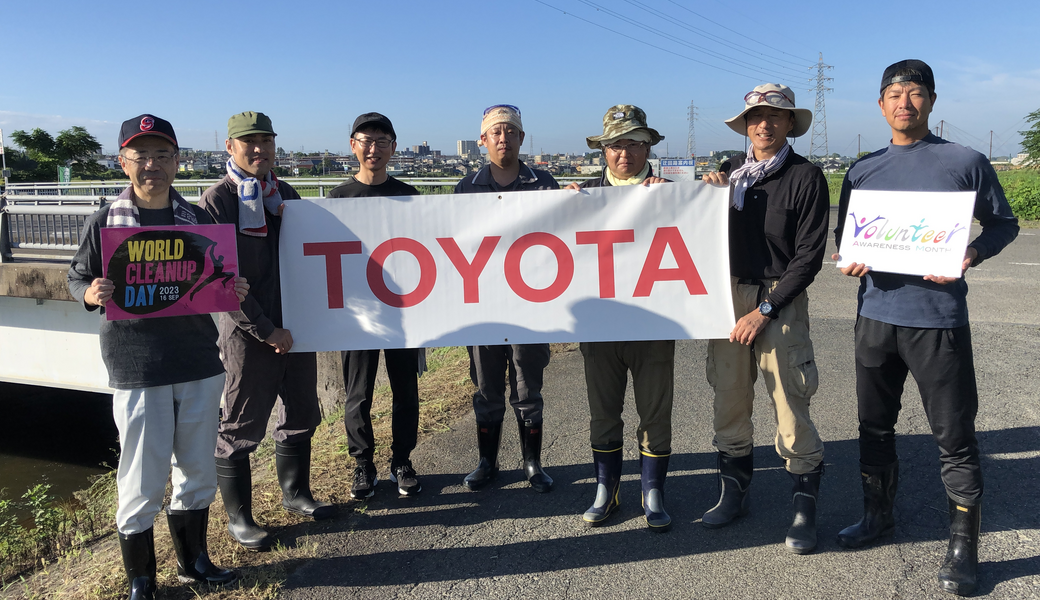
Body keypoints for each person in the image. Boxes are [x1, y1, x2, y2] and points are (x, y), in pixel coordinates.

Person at [833, 60, 1019, 596]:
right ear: (880, 104)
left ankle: (963, 547)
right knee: (873, 426)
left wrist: (972, 252)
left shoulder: (965, 161)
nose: (904, 103)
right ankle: (877, 516)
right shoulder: (862, 170)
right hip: (875, 318)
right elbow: (848, 237)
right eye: (894, 94)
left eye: (915, 94)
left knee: (954, 437)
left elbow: (1003, 223)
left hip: (937, 321)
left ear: (932, 102)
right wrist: (851, 259)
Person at [68, 114, 241, 598]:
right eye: (140, 156)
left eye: (162, 155)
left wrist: (233, 286)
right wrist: (91, 294)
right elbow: (76, 278)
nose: (151, 165)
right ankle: (142, 579)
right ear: (123, 162)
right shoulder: (105, 222)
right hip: (137, 365)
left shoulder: (198, 219)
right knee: (141, 476)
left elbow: (219, 277)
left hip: (198, 363)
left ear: (177, 162)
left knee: (198, 468)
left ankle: (195, 561)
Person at [700, 84, 829, 554]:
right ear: (746, 125)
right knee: (729, 399)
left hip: (779, 297)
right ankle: (733, 495)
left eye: (775, 116)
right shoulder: (730, 175)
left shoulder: (806, 176)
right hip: (729, 294)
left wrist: (766, 310)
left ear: (790, 123)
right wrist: (704, 198)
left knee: (790, 403)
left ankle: (803, 509)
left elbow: (809, 256)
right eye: (756, 117)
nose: (764, 124)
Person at [199, 111, 333, 552]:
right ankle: (240, 518)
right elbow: (220, 281)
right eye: (248, 142)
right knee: (241, 424)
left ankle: (296, 495)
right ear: (230, 147)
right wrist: (265, 329)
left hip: (296, 326)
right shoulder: (217, 201)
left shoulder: (285, 193)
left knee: (299, 414)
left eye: (266, 141)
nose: (259, 150)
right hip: (249, 333)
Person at [564, 105, 675, 532]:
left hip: (654, 322)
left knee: (655, 411)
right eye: (615, 144)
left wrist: (689, 196)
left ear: (648, 146)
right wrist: (563, 208)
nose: (623, 152)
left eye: (633, 143)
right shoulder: (581, 195)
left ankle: (652, 492)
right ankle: (606, 489)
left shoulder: (670, 193)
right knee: (603, 411)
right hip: (600, 324)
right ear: (602, 150)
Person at [454, 104, 559, 493]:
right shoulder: (466, 188)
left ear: (521, 138)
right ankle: (487, 461)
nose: (503, 138)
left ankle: (532, 462)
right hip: (482, 304)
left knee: (528, 384)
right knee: (486, 384)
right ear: (483, 140)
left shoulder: (543, 183)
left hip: (531, 305)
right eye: (495, 133)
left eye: (510, 132)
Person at [327, 112, 424, 499]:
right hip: (357, 313)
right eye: (366, 141)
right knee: (358, 393)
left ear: (393, 149)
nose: (374, 149)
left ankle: (402, 460)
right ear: (353, 146)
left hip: (403, 311)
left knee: (406, 390)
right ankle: (362, 464)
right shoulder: (337, 199)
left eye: (382, 142)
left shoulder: (410, 197)